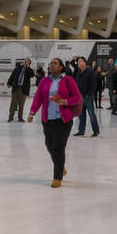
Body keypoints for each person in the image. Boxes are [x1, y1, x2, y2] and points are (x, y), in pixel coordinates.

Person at [27, 58, 83, 187]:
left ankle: (57, 177)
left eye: (55, 63)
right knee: (49, 145)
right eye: (50, 63)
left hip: (63, 120)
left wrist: (65, 102)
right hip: (47, 119)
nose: (51, 65)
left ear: (61, 67)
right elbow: (38, 98)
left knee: (58, 147)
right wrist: (32, 112)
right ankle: (60, 165)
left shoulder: (68, 80)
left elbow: (76, 97)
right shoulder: (45, 80)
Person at [74, 57, 100, 137]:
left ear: (85, 62)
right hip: (80, 97)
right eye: (78, 62)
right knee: (81, 115)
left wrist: (89, 94)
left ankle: (96, 131)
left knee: (91, 114)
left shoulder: (90, 71)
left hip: (88, 97)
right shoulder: (78, 71)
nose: (78, 63)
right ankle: (81, 131)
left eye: (80, 61)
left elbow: (93, 84)